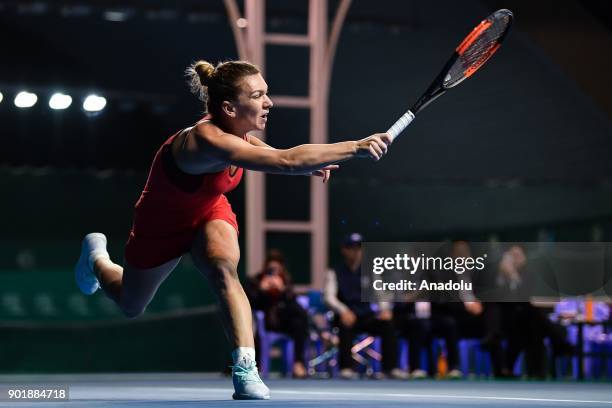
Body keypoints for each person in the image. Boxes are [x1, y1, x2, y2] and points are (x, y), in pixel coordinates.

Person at [74, 59, 392, 400]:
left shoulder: (236, 135)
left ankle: (245, 370)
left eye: (266, 94)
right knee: (130, 303)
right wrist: (356, 147)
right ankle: (96, 258)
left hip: (210, 210)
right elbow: (285, 161)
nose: (269, 103)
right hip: (161, 225)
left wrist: (304, 166)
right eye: (257, 95)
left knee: (223, 270)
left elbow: (275, 154)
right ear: (228, 107)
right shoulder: (205, 140)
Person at [323, 233, 406, 379]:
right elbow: (329, 297)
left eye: (359, 248)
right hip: (346, 315)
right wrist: (343, 311)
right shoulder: (334, 272)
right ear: (344, 250)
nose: (356, 252)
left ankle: (390, 368)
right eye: (351, 248)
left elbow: (380, 293)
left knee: (388, 324)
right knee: (345, 324)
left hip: (365, 316)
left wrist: (384, 309)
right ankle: (347, 368)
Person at [246, 249, 309, 378]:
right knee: (254, 330)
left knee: (299, 321)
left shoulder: (286, 280)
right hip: (266, 324)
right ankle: (255, 366)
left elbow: (292, 301)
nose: (274, 271)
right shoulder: (256, 281)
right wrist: (262, 290)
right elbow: (252, 303)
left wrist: (282, 290)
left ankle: (298, 363)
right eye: (270, 268)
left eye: (277, 267)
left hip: (285, 323)